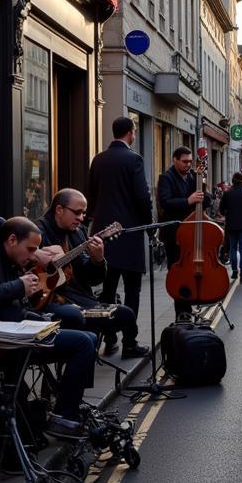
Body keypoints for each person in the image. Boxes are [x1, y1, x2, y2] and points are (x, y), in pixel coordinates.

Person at [0, 216, 98, 437]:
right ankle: (64, 417)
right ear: (12, 239)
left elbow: (7, 305)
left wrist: (35, 311)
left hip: (4, 333)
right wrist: (17, 287)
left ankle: (69, 407)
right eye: (30, 249)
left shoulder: (9, 259)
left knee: (89, 337)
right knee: (82, 343)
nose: (33, 255)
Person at [36, 188, 148, 359]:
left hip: (79, 298)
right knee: (83, 331)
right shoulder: (38, 232)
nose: (81, 218)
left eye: (84, 213)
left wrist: (98, 260)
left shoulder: (78, 232)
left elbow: (93, 278)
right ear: (59, 209)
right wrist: (35, 254)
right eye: (77, 212)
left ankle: (129, 345)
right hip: (46, 302)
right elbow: (13, 253)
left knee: (125, 313)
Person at [87, 117, 153, 352]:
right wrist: (149, 224)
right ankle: (129, 341)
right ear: (130, 133)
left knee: (107, 290)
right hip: (128, 233)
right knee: (132, 290)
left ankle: (109, 338)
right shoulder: (134, 159)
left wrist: (90, 223)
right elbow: (142, 197)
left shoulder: (98, 159)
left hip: (102, 234)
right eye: (134, 132)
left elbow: (91, 196)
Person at [157, 146, 213, 310]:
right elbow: (166, 203)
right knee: (179, 274)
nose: (188, 165)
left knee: (193, 272)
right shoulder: (166, 178)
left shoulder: (193, 177)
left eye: (190, 161)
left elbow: (206, 200)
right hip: (175, 235)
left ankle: (195, 302)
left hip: (192, 234)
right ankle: (182, 311)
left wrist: (204, 191)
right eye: (184, 161)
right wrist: (188, 201)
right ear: (175, 160)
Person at [219, 172, 242, 280]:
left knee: (233, 249)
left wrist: (228, 214)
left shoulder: (227, 193)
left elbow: (221, 209)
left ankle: (235, 271)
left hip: (231, 225)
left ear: (233, 181)